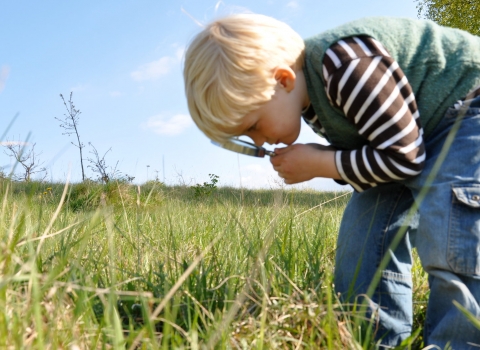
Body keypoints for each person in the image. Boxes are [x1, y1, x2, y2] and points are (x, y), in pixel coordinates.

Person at [183, 13, 480, 348]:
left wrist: (322, 163)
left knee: (454, 230)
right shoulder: (309, 101)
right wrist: (326, 160)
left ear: (283, 81)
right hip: (409, 138)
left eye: (253, 126)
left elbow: (403, 158)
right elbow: (383, 157)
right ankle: (373, 339)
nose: (260, 142)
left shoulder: (345, 68)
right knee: (364, 231)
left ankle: (461, 341)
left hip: (466, 106)